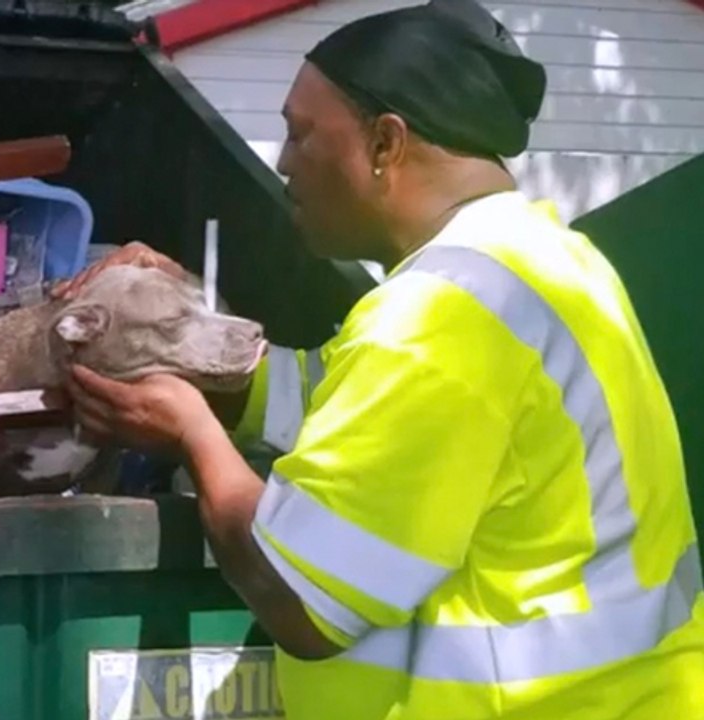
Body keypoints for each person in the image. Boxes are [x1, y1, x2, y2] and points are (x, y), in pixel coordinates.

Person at [53, 1, 704, 718]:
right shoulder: (547, 261)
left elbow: (300, 601)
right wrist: (172, 325)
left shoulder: (437, 318)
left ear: (385, 145)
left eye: (300, 134)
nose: (283, 162)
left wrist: (191, 432)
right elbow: (344, 402)